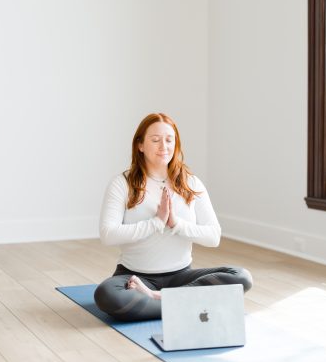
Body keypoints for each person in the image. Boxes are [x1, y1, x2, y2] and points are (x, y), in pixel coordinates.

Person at [94, 113, 252, 321]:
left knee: (241, 278)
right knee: (107, 295)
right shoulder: (121, 183)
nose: (164, 146)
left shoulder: (191, 183)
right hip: (135, 277)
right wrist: (156, 222)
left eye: (169, 140)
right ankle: (185, 303)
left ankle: (156, 298)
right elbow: (108, 235)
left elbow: (214, 237)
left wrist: (176, 224)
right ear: (140, 145)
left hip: (181, 276)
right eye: (155, 140)